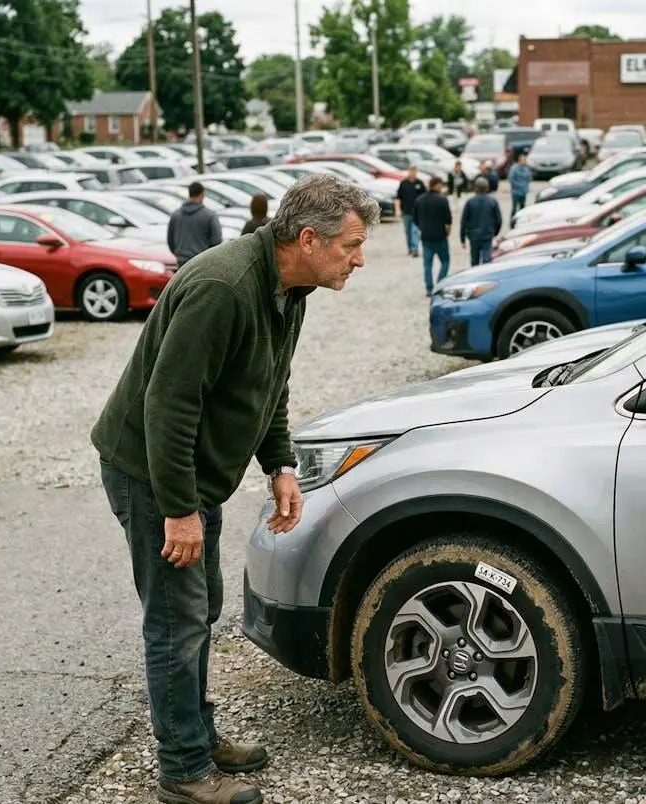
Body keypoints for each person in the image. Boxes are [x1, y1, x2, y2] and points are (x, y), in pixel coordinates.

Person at [91, 173, 380, 804]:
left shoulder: (289, 288)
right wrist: (178, 511)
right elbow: (168, 405)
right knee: (176, 620)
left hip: (195, 478)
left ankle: (197, 730)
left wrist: (279, 464)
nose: (360, 260)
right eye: (352, 245)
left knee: (202, 607)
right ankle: (185, 770)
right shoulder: (222, 288)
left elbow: (269, 384)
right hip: (152, 472)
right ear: (309, 238)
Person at [167, 181, 224, 266]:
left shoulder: (176, 215)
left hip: (182, 262)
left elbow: (170, 240)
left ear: (189, 194)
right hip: (203, 262)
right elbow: (216, 241)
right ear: (202, 194)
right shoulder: (210, 215)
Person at [413, 175, 452, 295]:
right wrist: (447, 234)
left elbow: (415, 220)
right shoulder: (442, 200)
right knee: (445, 261)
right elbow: (448, 221)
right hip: (440, 237)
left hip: (426, 237)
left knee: (427, 265)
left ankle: (429, 289)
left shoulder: (419, 200)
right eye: (441, 185)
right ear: (437, 185)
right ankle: (440, 285)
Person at [459, 176, 502, 267]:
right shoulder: (492, 201)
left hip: (474, 236)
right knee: (487, 259)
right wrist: (494, 232)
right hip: (487, 235)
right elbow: (498, 220)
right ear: (487, 188)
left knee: (474, 261)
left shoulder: (470, 202)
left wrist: (462, 238)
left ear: (476, 188)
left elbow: (463, 221)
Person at [395, 166, 425, 258]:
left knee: (415, 231)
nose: (413, 173)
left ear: (416, 172)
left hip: (417, 213)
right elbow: (398, 198)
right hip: (406, 212)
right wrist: (398, 210)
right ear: (409, 172)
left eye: (414, 172)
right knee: (408, 232)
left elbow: (425, 197)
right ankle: (410, 249)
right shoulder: (403, 183)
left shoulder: (420, 183)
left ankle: (414, 249)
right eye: (411, 171)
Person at [507, 152, 533, 227]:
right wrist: (518, 185)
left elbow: (529, 178)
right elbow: (510, 179)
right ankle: (512, 223)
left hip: (523, 192)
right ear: (519, 161)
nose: (524, 162)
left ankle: (522, 222)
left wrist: (525, 186)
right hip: (516, 192)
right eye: (522, 160)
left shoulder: (526, 169)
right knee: (514, 208)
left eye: (525, 160)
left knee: (523, 207)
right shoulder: (514, 168)